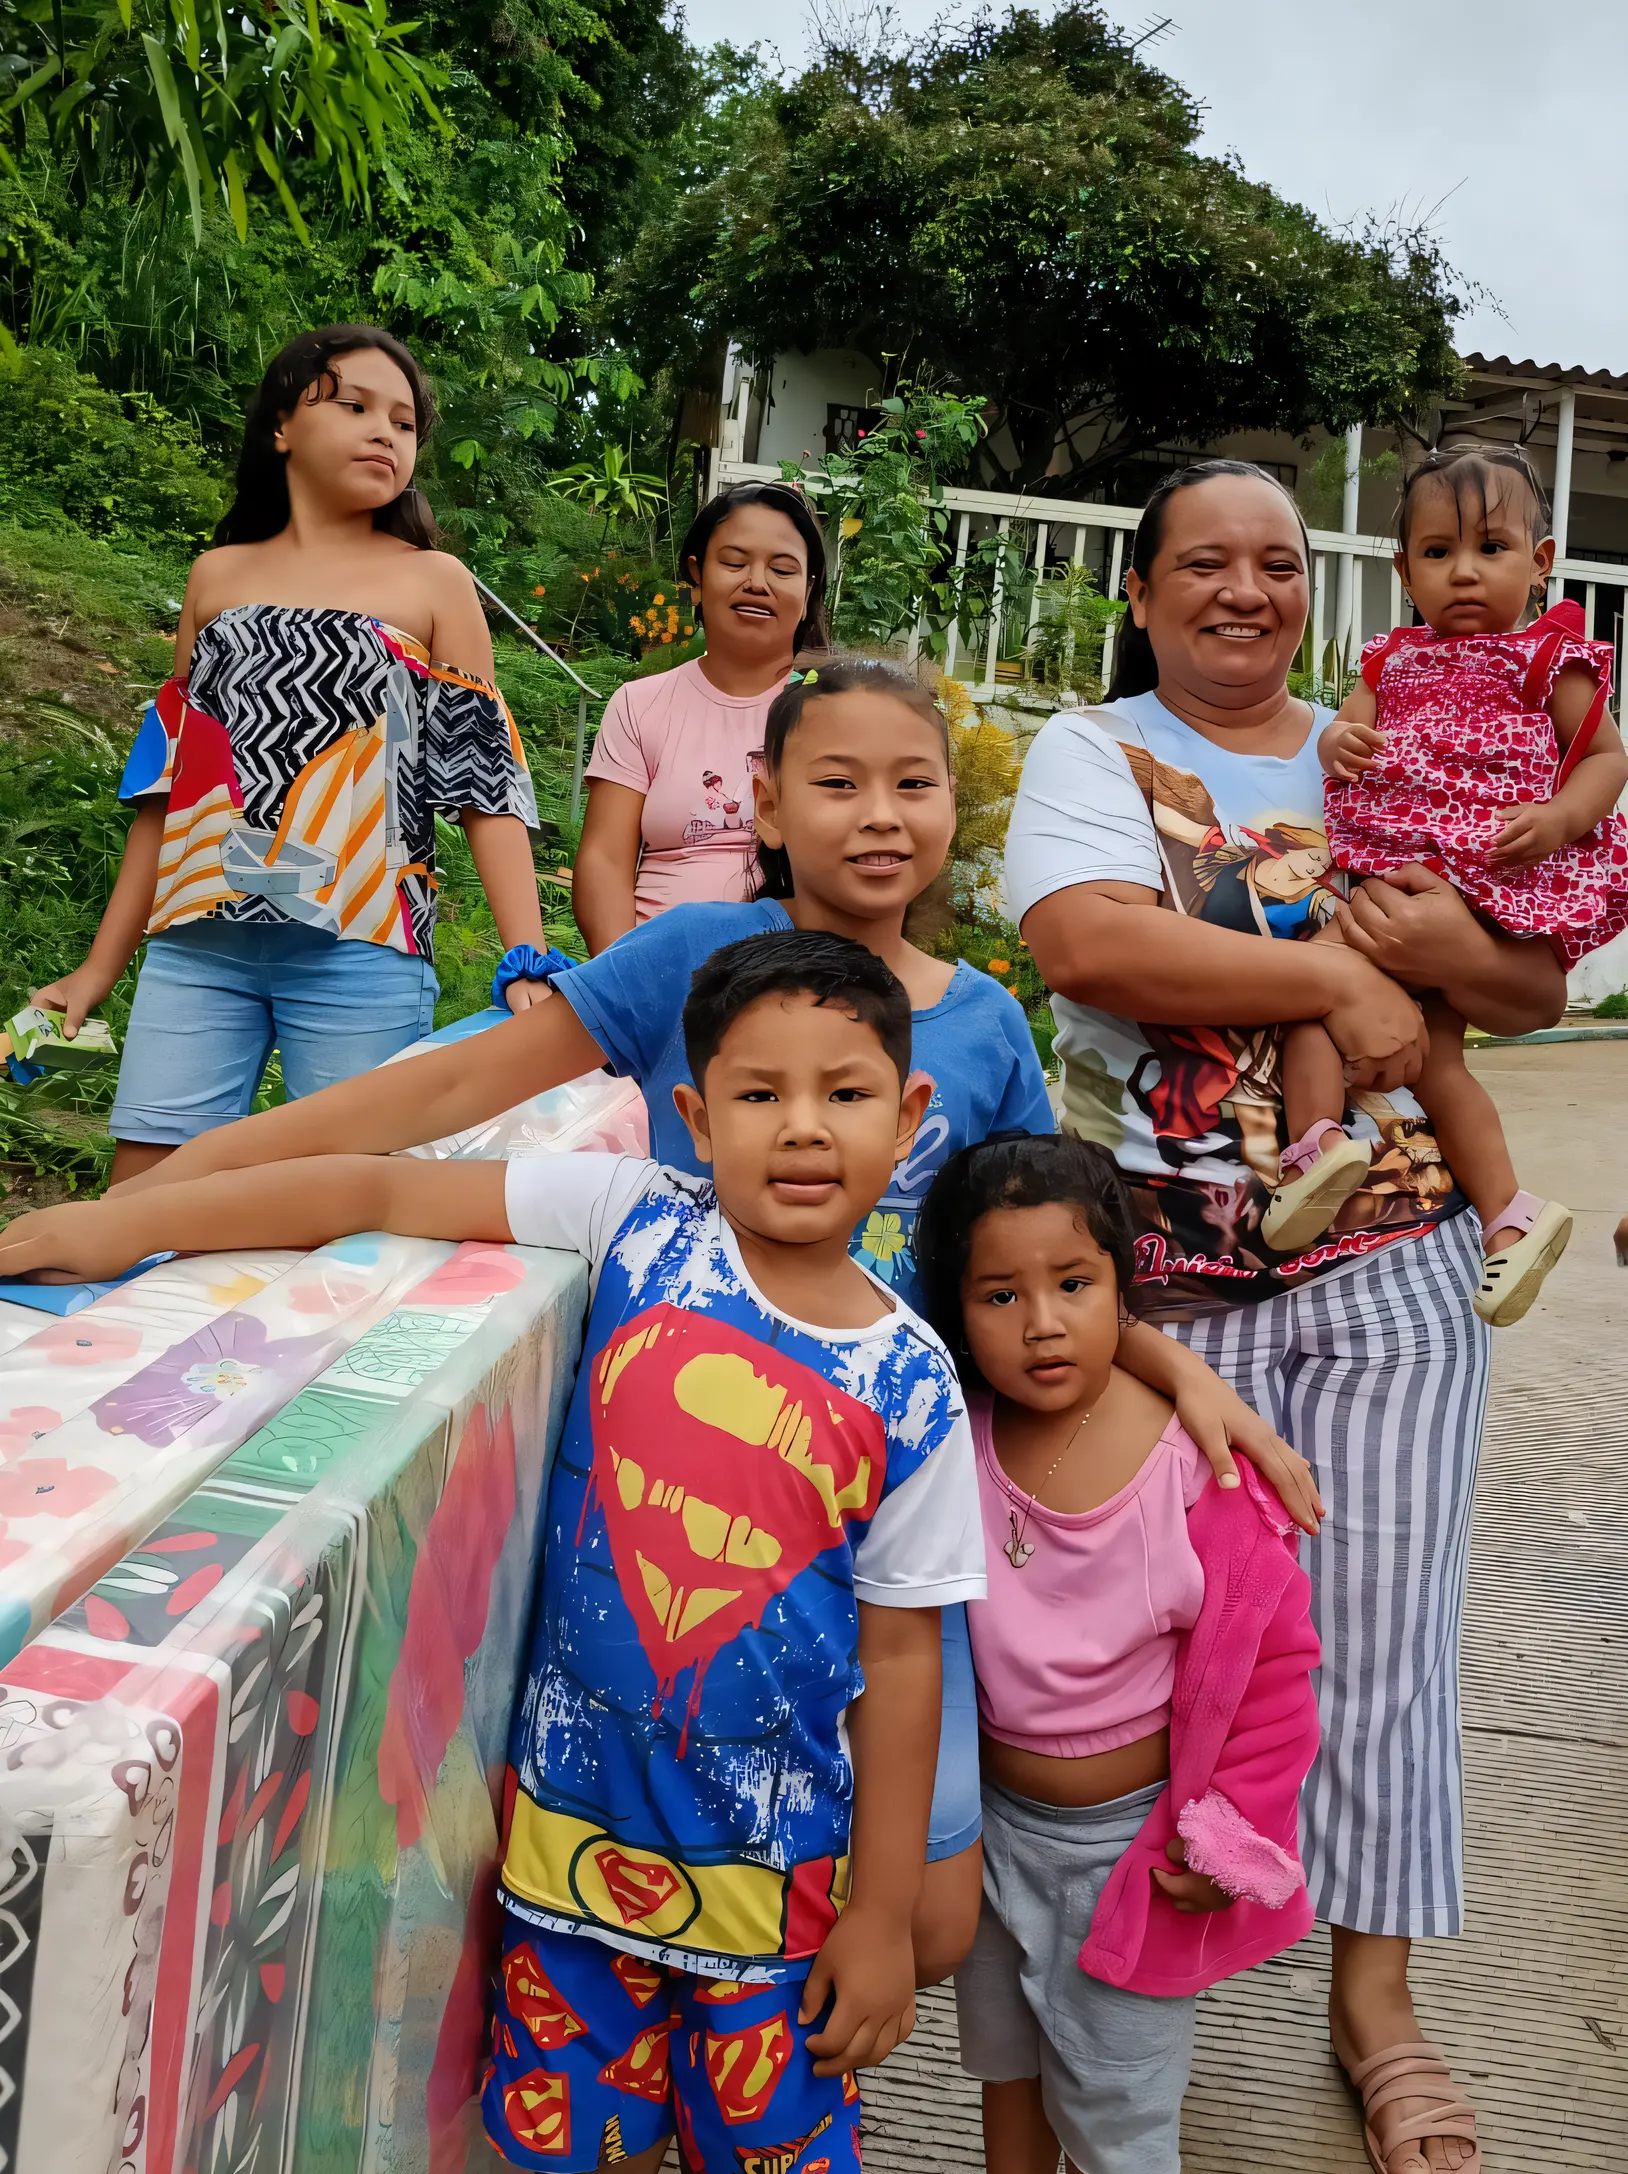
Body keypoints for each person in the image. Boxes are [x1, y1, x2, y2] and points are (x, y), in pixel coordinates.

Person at [68, 653, 1320, 1993]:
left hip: (892, 1528)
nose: (880, 814)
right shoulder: (692, 960)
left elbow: (1039, 1251)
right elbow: (434, 1101)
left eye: (915, 784)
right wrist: (160, 1202)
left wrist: (1168, 1363)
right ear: (767, 807)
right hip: (693, 1507)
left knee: (929, 1914)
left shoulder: (986, 1023)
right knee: (663, 1877)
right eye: (838, 784)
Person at [0, 929, 985, 2174]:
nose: (802, 1130)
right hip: (566, 1861)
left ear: (910, 1114)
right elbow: (376, 1191)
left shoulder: (914, 1386)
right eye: (760, 1095)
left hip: (777, 1884)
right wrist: (114, 1225)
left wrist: (878, 1911)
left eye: (844, 1094)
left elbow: (908, 1658)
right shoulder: (635, 1217)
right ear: (693, 1115)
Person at [1005, 457, 1570, 2174]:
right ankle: (1137, 1993)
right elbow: (1085, 939)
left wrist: (1425, 953)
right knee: (1179, 1653)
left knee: (1385, 1637)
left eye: (1272, 562)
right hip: (1162, 1282)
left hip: (1390, 1257)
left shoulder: (1368, 748)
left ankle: (1376, 2003)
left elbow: (1534, 981)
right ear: (1141, 590)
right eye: (1202, 563)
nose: (1241, 590)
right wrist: (1335, 976)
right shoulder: (1090, 756)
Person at [915, 1133, 1320, 2174]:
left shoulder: (1191, 1465)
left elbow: (1275, 1669)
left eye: (1073, 1284)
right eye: (1000, 1294)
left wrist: (1229, 1830)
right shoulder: (954, 1440)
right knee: (1007, 2071)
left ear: (1122, 1290)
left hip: (1130, 1858)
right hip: (991, 1840)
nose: (1040, 1320)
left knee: (1115, 2117)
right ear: (956, 1308)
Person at [32, 324, 550, 1187]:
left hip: (365, 942)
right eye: (354, 406)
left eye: (406, 422)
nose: (386, 431)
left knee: (343, 1199)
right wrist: (96, 970)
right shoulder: (217, 578)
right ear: (281, 426)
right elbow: (169, 793)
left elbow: (482, 784)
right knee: (143, 1189)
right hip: (198, 943)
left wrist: (529, 960)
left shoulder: (436, 583)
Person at [1268, 444, 1628, 1326]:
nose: (1463, 572)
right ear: (1404, 569)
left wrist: (1559, 820)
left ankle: (1321, 1149)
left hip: (1482, 877)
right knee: (1405, 1047)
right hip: (1395, 867)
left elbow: (1608, 759)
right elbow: (1346, 732)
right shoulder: (1391, 661)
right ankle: (1498, 1210)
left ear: (1540, 563)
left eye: (1492, 548)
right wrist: (1337, 743)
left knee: (1330, 986)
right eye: (1437, 553)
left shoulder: (1552, 657)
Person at [572, 482, 828, 949]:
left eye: (783, 569)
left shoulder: (833, 709)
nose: (757, 582)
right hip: (653, 969)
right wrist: (624, 984)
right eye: (734, 562)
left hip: (791, 974)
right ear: (697, 574)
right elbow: (604, 861)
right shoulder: (639, 704)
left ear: (809, 590)